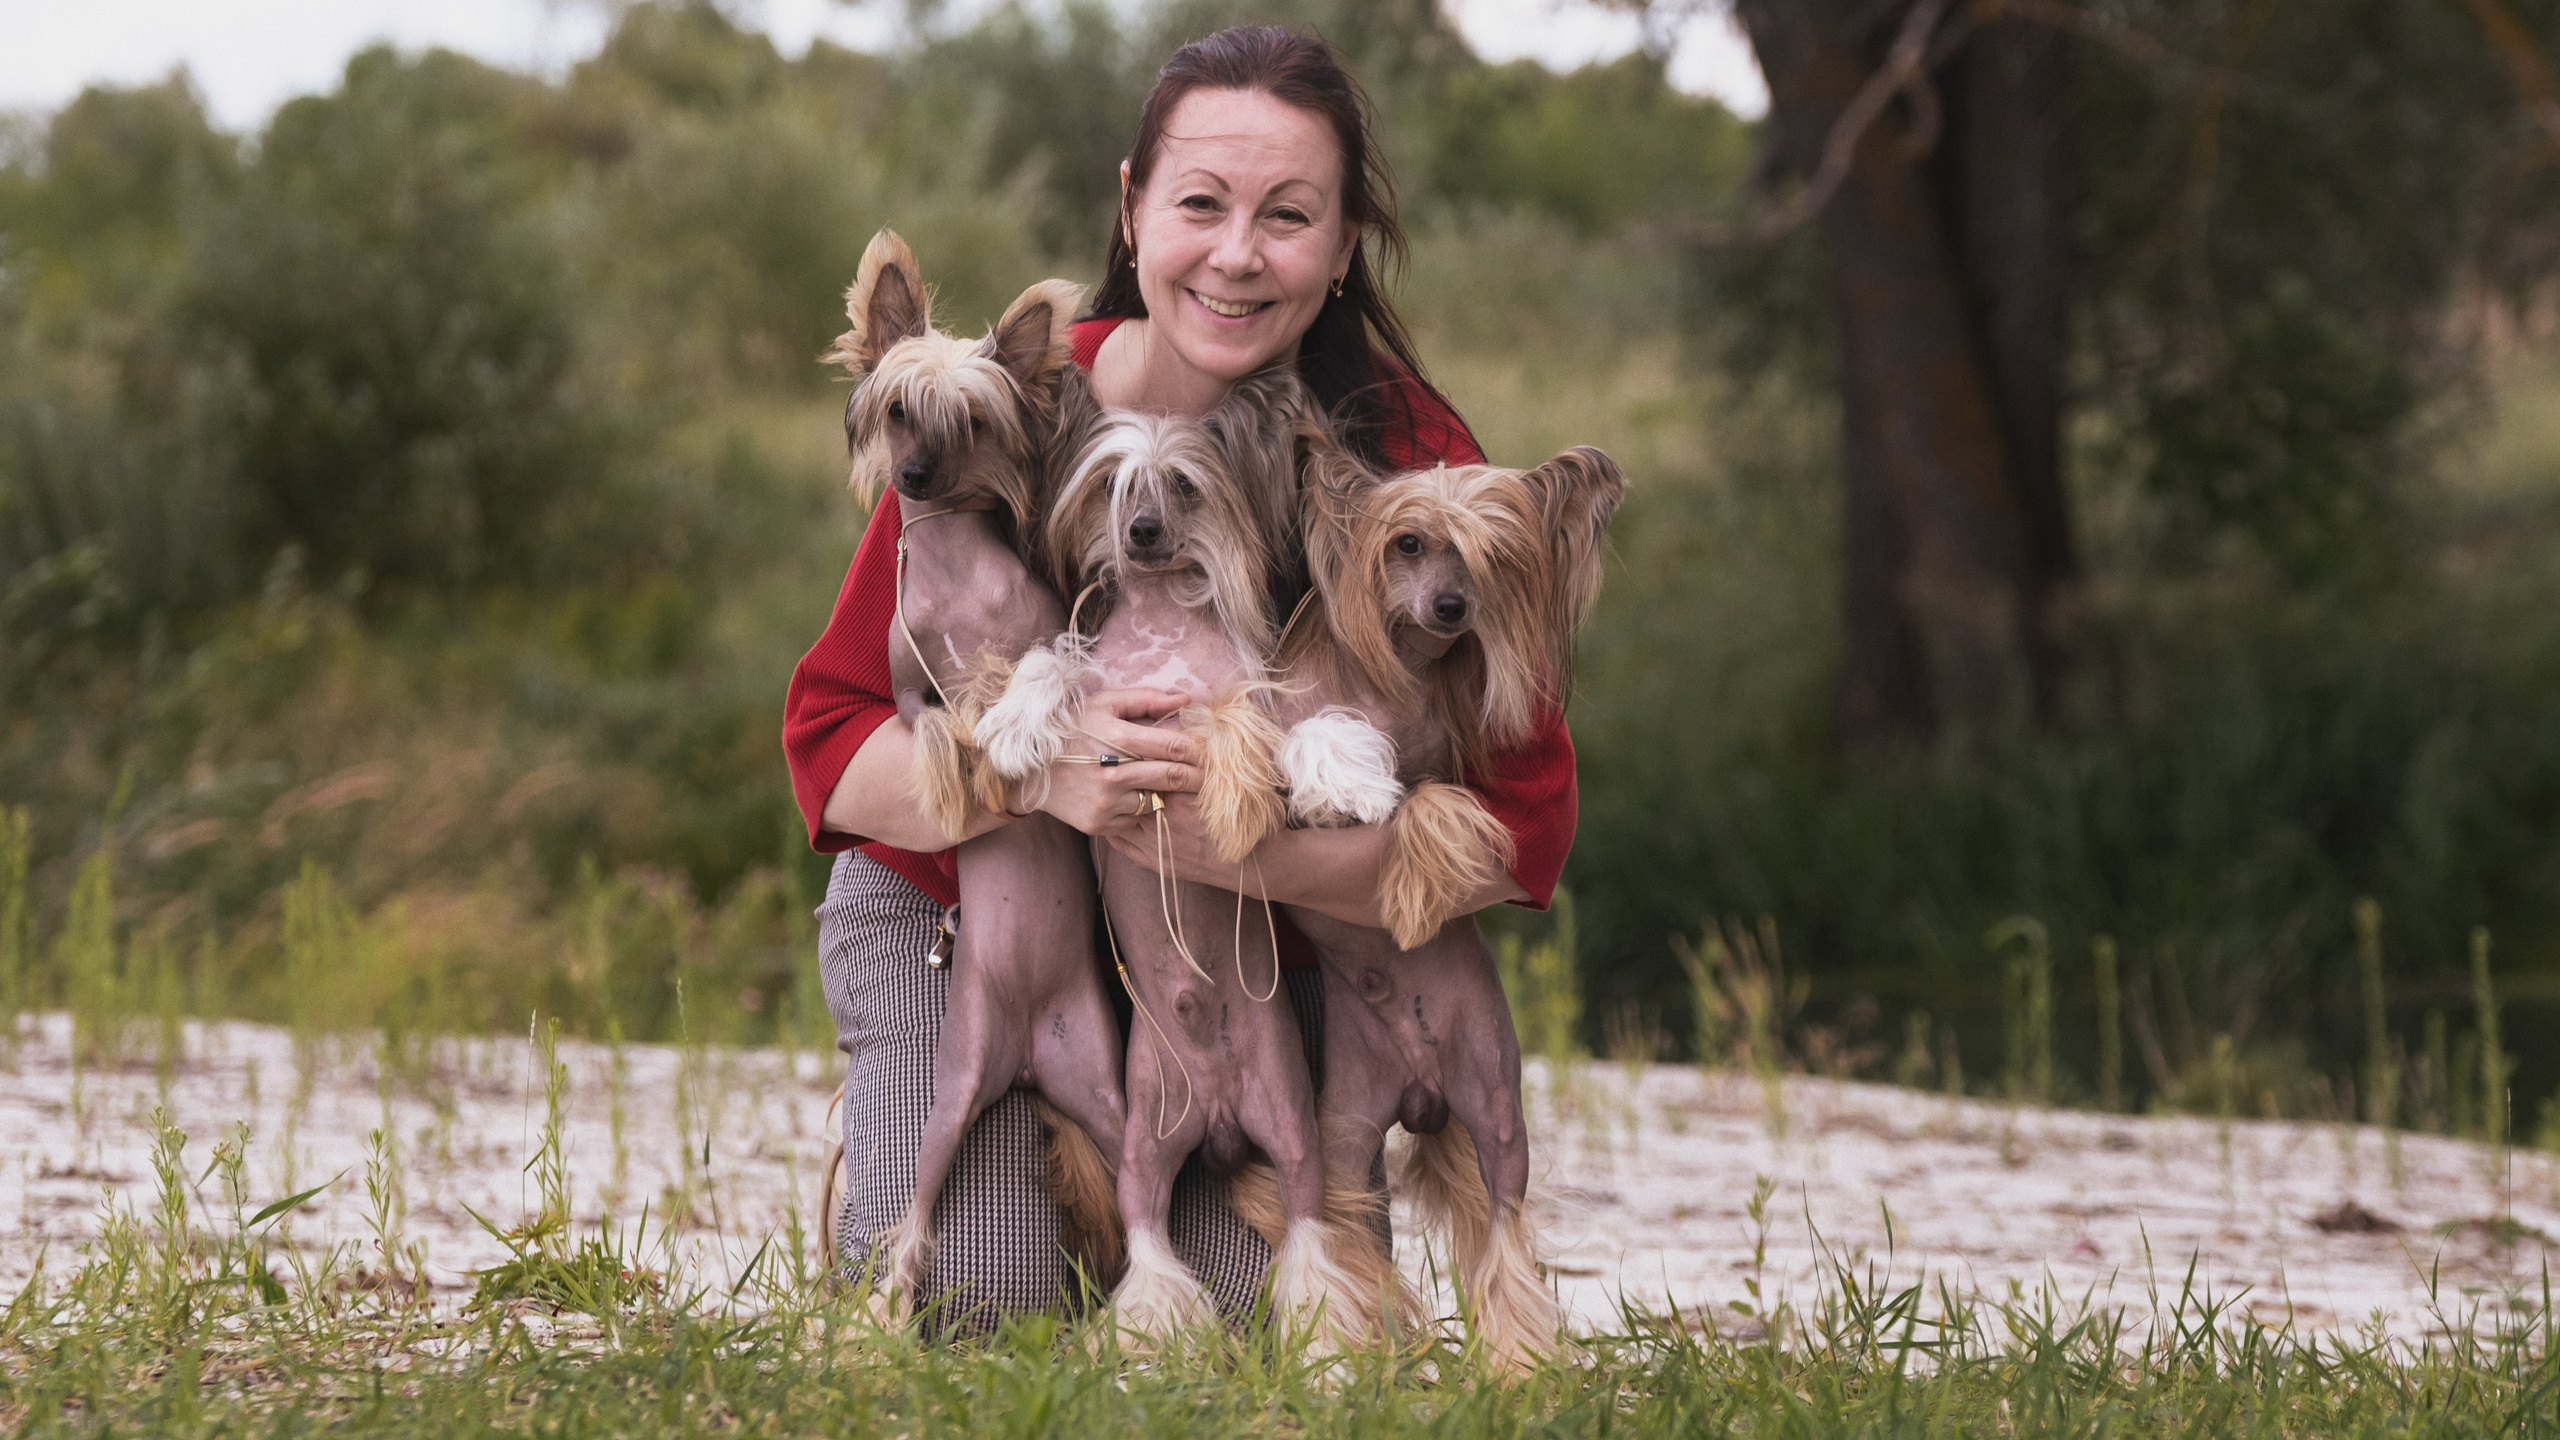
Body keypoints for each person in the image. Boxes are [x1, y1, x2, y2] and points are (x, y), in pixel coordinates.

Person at [782, 23, 1578, 1331]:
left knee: (1259, 1332)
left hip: (1227, 968)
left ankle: (1126, 1196)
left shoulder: (1409, 454)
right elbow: (830, 741)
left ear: (1342, 245)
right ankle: (919, 1148)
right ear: (1132, 209)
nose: (1237, 252)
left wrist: (1223, 840)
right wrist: (1039, 779)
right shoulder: (1009, 400)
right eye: (1200, 203)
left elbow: (1521, 819)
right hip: (968, 924)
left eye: (1290, 215)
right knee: (979, 1307)